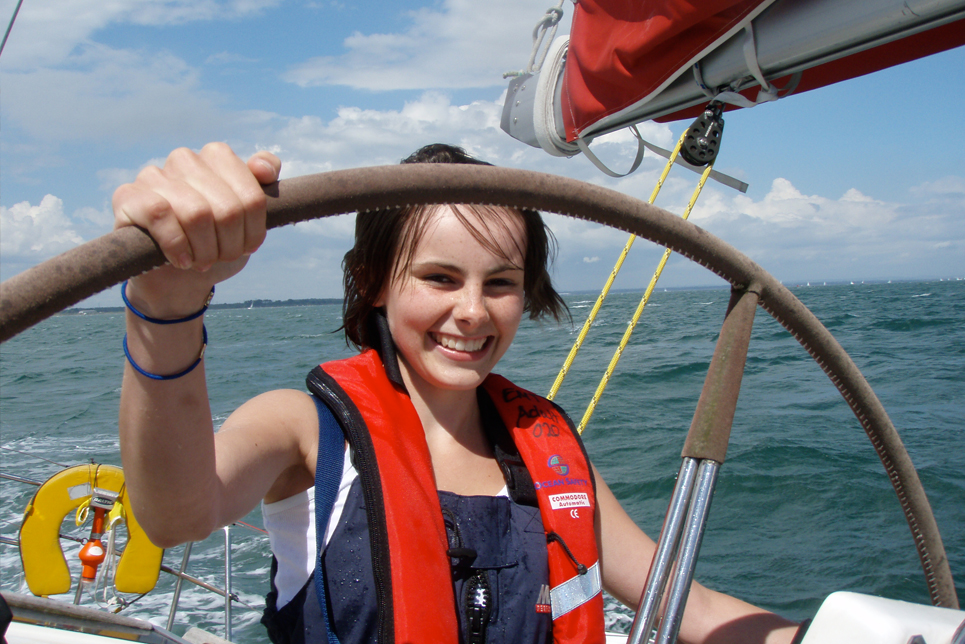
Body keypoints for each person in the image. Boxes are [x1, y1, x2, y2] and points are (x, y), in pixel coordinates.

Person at [114, 141, 802, 644]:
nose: (473, 311)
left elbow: (694, 611)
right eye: (440, 278)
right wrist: (167, 302)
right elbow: (175, 515)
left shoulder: (549, 456)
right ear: (374, 281)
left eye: (499, 283)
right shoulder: (301, 429)